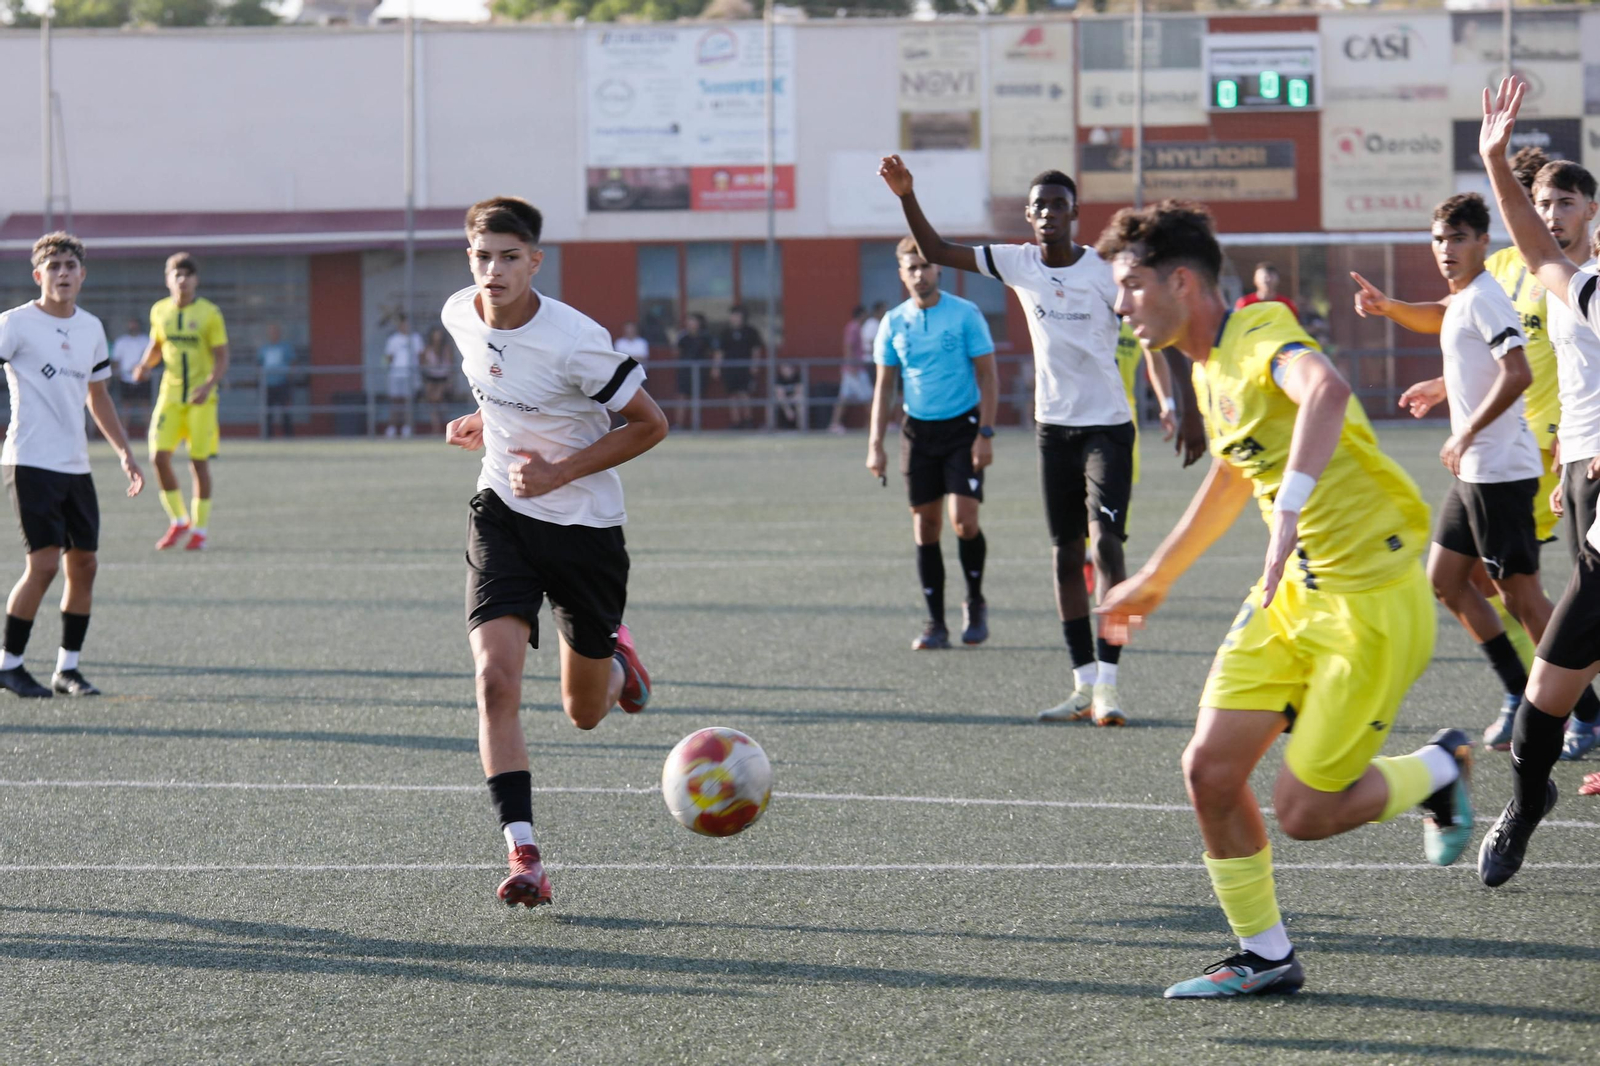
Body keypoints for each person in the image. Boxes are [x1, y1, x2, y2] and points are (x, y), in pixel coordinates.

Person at [1095, 199, 1470, 998]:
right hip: (1292, 595)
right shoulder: (1205, 365)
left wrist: (1291, 510)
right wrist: (1156, 576)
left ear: (1183, 281)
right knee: (1208, 771)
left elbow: (1328, 391)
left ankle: (1439, 768)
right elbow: (1235, 473)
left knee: (1306, 810)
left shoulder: (1261, 329)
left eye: (1129, 286)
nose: (1121, 304)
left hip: (1370, 599)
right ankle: (1264, 954)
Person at [880, 156, 1179, 725]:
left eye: (1058, 205)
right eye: (1038, 205)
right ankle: (1082, 684)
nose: (1048, 213)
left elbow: (1153, 324)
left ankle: (1111, 685)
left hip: (1108, 428)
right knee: (1065, 556)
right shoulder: (1017, 263)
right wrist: (906, 197)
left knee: (1106, 548)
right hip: (1053, 429)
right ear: (1029, 216)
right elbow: (939, 250)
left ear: (1074, 214)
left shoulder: (1105, 270)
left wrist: (1176, 404)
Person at [439, 196, 668, 908]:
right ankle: (524, 851)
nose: (494, 270)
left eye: (510, 257)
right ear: (469, 257)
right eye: (483, 256)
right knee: (494, 682)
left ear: (536, 261)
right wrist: (485, 419)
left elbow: (651, 423)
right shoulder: (458, 314)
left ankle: (617, 654)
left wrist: (559, 473)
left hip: (585, 532)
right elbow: (508, 385)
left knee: (585, 714)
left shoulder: (575, 339)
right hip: (501, 514)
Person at [1352, 194, 1600, 749]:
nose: (1446, 249)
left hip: (1499, 470)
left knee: (1522, 597)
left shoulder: (1488, 296)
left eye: (1458, 238)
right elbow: (1444, 319)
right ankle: (1518, 689)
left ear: (1484, 241)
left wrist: (1464, 431)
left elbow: (1517, 374)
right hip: (1473, 471)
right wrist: (1392, 310)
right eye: (1439, 238)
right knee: (1445, 580)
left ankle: (1581, 708)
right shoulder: (1464, 299)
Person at [1473, 76, 1600, 883]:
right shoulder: (1584, 287)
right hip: (1586, 480)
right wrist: (1493, 159)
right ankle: (1526, 803)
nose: (1554, 214)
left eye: (1568, 201)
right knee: (1542, 704)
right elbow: (1538, 254)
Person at [0, 233, 144, 698]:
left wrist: (123, 450)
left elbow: (96, 395)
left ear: (83, 275)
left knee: (84, 565)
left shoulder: (91, 328)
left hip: (75, 466)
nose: (63, 273)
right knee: (42, 563)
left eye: (70, 266)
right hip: (30, 460)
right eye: (54, 266)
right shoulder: (14, 324)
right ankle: (9, 664)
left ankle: (68, 669)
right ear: (38, 275)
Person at [865, 236, 998, 651]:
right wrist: (876, 444)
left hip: (963, 428)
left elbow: (989, 376)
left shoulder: (965, 314)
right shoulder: (894, 322)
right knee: (925, 527)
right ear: (902, 274)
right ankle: (935, 623)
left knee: (964, 521)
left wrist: (985, 433)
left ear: (939, 269)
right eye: (912, 267)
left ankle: (974, 602)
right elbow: (884, 388)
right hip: (918, 432)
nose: (920, 274)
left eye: (926, 265)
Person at [132, 251, 227, 552]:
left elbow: (222, 356)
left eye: (187, 274)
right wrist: (145, 366)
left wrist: (209, 384)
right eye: (177, 274)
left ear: (196, 280)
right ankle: (179, 520)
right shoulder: (160, 311)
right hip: (170, 397)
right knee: (158, 457)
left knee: (197, 463)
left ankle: (200, 529)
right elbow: (156, 345)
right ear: (168, 280)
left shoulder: (209, 313)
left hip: (201, 400)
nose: (182, 280)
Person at [713, 304, 764, 429]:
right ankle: (735, 422)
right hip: (729, 369)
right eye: (733, 315)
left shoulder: (751, 332)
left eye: (737, 315)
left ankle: (748, 420)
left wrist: (754, 365)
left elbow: (756, 350)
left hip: (745, 368)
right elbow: (720, 352)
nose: (734, 318)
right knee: (732, 395)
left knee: (744, 393)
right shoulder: (725, 332)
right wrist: (716, 368)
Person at [828, 305, 873, 434]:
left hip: (853, 368)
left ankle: (835, 424)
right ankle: (873, 425)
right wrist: (851, 365)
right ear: (861, 314)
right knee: (869, 397)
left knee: (843, 398)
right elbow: (848, 347)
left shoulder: (857, 328)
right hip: (855, 369)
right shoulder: (853, 327)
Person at [384, 314, 422, 439]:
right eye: (404, 324)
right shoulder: (393, 339)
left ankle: (407, 428)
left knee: (408, 402)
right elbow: (388, 358)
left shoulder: (416, 338)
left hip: (410, 375)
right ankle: (392, 429)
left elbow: (421, 355)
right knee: (395, 402)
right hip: (396, 375)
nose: (406, 326)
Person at [257, 323, 296, 439]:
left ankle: (289, 437)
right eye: (271, 332)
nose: (273, 334)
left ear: (279, 333)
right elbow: (259, 364)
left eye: (275, 331)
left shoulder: (286, 347)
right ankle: (267, 437)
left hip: (283, 383)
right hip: (268, 385)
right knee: (268, 413)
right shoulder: (264, 348)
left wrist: (289, 377)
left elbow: (293, 363)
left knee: (286, 412)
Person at [673, 313, 712, 430]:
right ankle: (679, 424)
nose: (691, 324)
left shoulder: (705, 337)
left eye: (693, 321)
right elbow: (676, 352)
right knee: (681, 397)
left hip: (700, 372)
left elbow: (712, 352)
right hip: (685, 371)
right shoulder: (683, 337)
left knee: (697, 398)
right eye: (689, 321)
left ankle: (696, 424)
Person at [110, 317, 149, 431]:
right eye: (131, 324)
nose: (133, 327)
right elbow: (116, 361)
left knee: (145, 406)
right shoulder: (121, 341)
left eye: (135, 324)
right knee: (125, 406)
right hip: (125, 379)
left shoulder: (146, 340)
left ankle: (149, 432)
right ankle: (124, 432)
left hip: (143, 379)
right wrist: (120, 374)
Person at [419, 326, 456, 437]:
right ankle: (436, 427)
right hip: (431, 377)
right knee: (432, 402)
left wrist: (450, 380)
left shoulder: (446, 348)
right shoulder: (428, 348)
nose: (437, 337)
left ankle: (444, 426)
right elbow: (423, 363)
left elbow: (450, 364)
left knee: (438, 399)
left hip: (442, 377)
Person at [1233, 261, 1300, 320]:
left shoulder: (1286, 305)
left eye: (1271, 276)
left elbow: (1294, 326)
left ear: (1278, 279)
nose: (1268, 280)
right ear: (1255, 280)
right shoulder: (1245, 303)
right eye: (1264, 277)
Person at [773, 362, 804, 429]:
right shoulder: (779, 378)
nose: (783, 370)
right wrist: (788, 410)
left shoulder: (798, 377)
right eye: (782, 369)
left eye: (785, 368)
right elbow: (779, 394)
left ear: (791, 369)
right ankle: (772, 429)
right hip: (784, 401)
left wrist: (791, 400)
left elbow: (799, 392)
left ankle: (801, 428)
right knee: (772, 402)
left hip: (794, 398)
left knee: (800, 400)